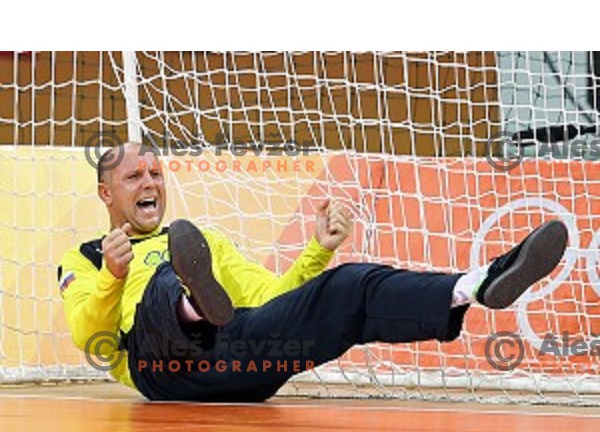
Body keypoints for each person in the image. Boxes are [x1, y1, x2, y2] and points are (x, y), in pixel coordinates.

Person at [58, 142, 569, 402]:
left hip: (243, 364)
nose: (150, 182)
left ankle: (477, 283)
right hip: (162, 370)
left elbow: (271, 296)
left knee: (350, 286)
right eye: (133, 176)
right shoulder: (87, 256)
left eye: (155, 173)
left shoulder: (203, 241)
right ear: (107, 193)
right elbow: (91, 337)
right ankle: (190, 305)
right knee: (165, 280)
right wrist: (113, 277)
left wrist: (318, 253)